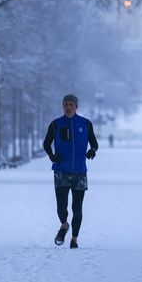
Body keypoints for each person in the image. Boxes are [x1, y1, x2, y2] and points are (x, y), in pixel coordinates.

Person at [43, 94, 98, 249]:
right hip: (60, 171)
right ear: (62, 106)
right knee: (61, 207)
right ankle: (64, 224)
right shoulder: (55, 124)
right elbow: (46, 143)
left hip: (80, 172)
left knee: (77, 207)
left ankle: (74, 239)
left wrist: (92, 150)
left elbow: (94, 142)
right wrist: (52, 156)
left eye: (71, 105)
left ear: (76, 107)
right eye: (66, 104)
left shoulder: (86, 124)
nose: (68, 107)